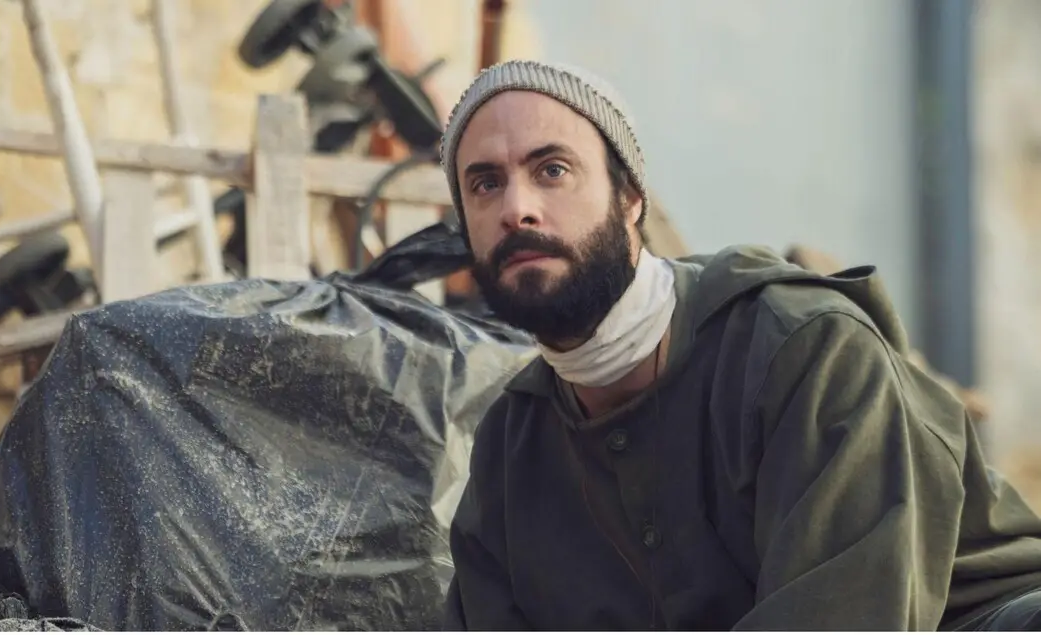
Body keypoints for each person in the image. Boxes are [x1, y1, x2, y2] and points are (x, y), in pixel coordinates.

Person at [437, 59, 1041, 631]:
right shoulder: (509, 449)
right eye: (485, 184)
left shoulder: (803, 349)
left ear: (630, 198)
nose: (517, 209)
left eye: (552, 170)